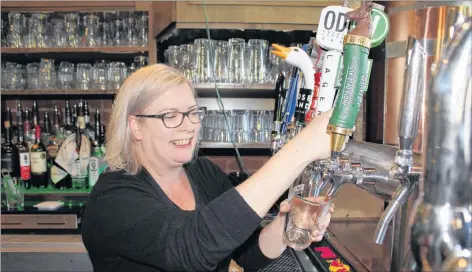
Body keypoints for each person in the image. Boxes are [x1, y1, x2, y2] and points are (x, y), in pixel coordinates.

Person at [81, 64, 342, 272]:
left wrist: (286, 226)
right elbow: (192, 248)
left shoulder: (201, 172)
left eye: (193, 112)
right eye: (170, 115)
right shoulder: (112, 198)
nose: (189, 125)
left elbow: (249, 254)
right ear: (135, 126)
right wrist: (300, 150)